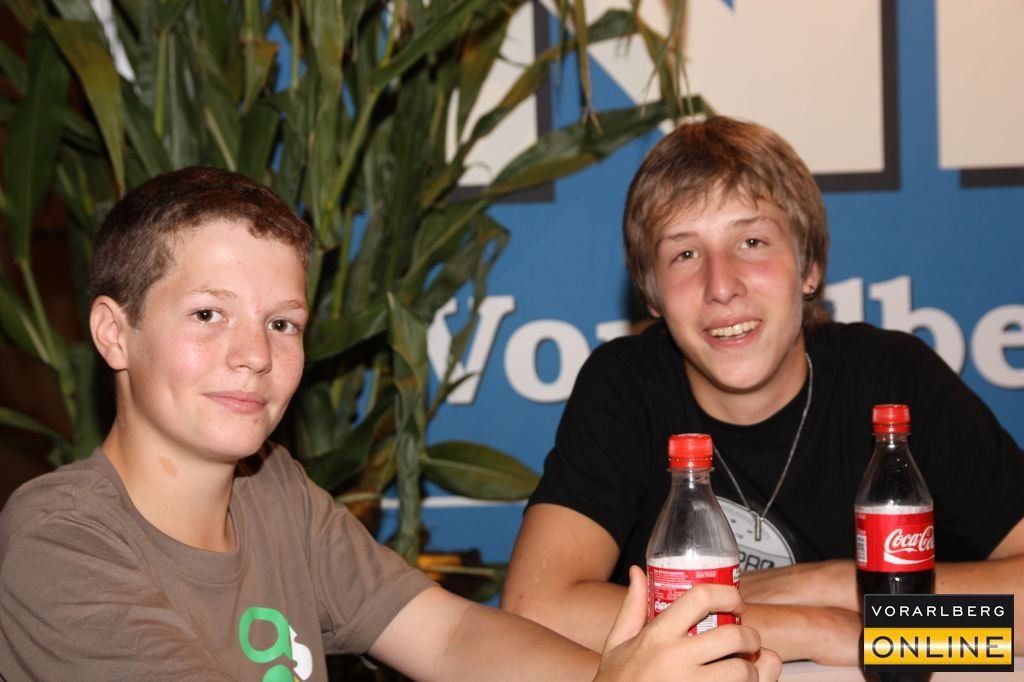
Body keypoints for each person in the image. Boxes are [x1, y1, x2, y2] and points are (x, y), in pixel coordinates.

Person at [0, 167, 780, 681]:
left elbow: (448, 637)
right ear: (114, 334)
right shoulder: (58, 541)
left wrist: (630, 671)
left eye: (282, 324)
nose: (254, 356)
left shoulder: (273, 490)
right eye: (209, 314)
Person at [501, 116, 1024, 665]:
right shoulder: (626, 386)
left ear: (809, 267)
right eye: (684, 254)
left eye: (751, 242)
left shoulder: (895, 379)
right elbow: (534, 609)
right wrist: (819, 629)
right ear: (651, 295)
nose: (721, 286)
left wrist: (833, 584)